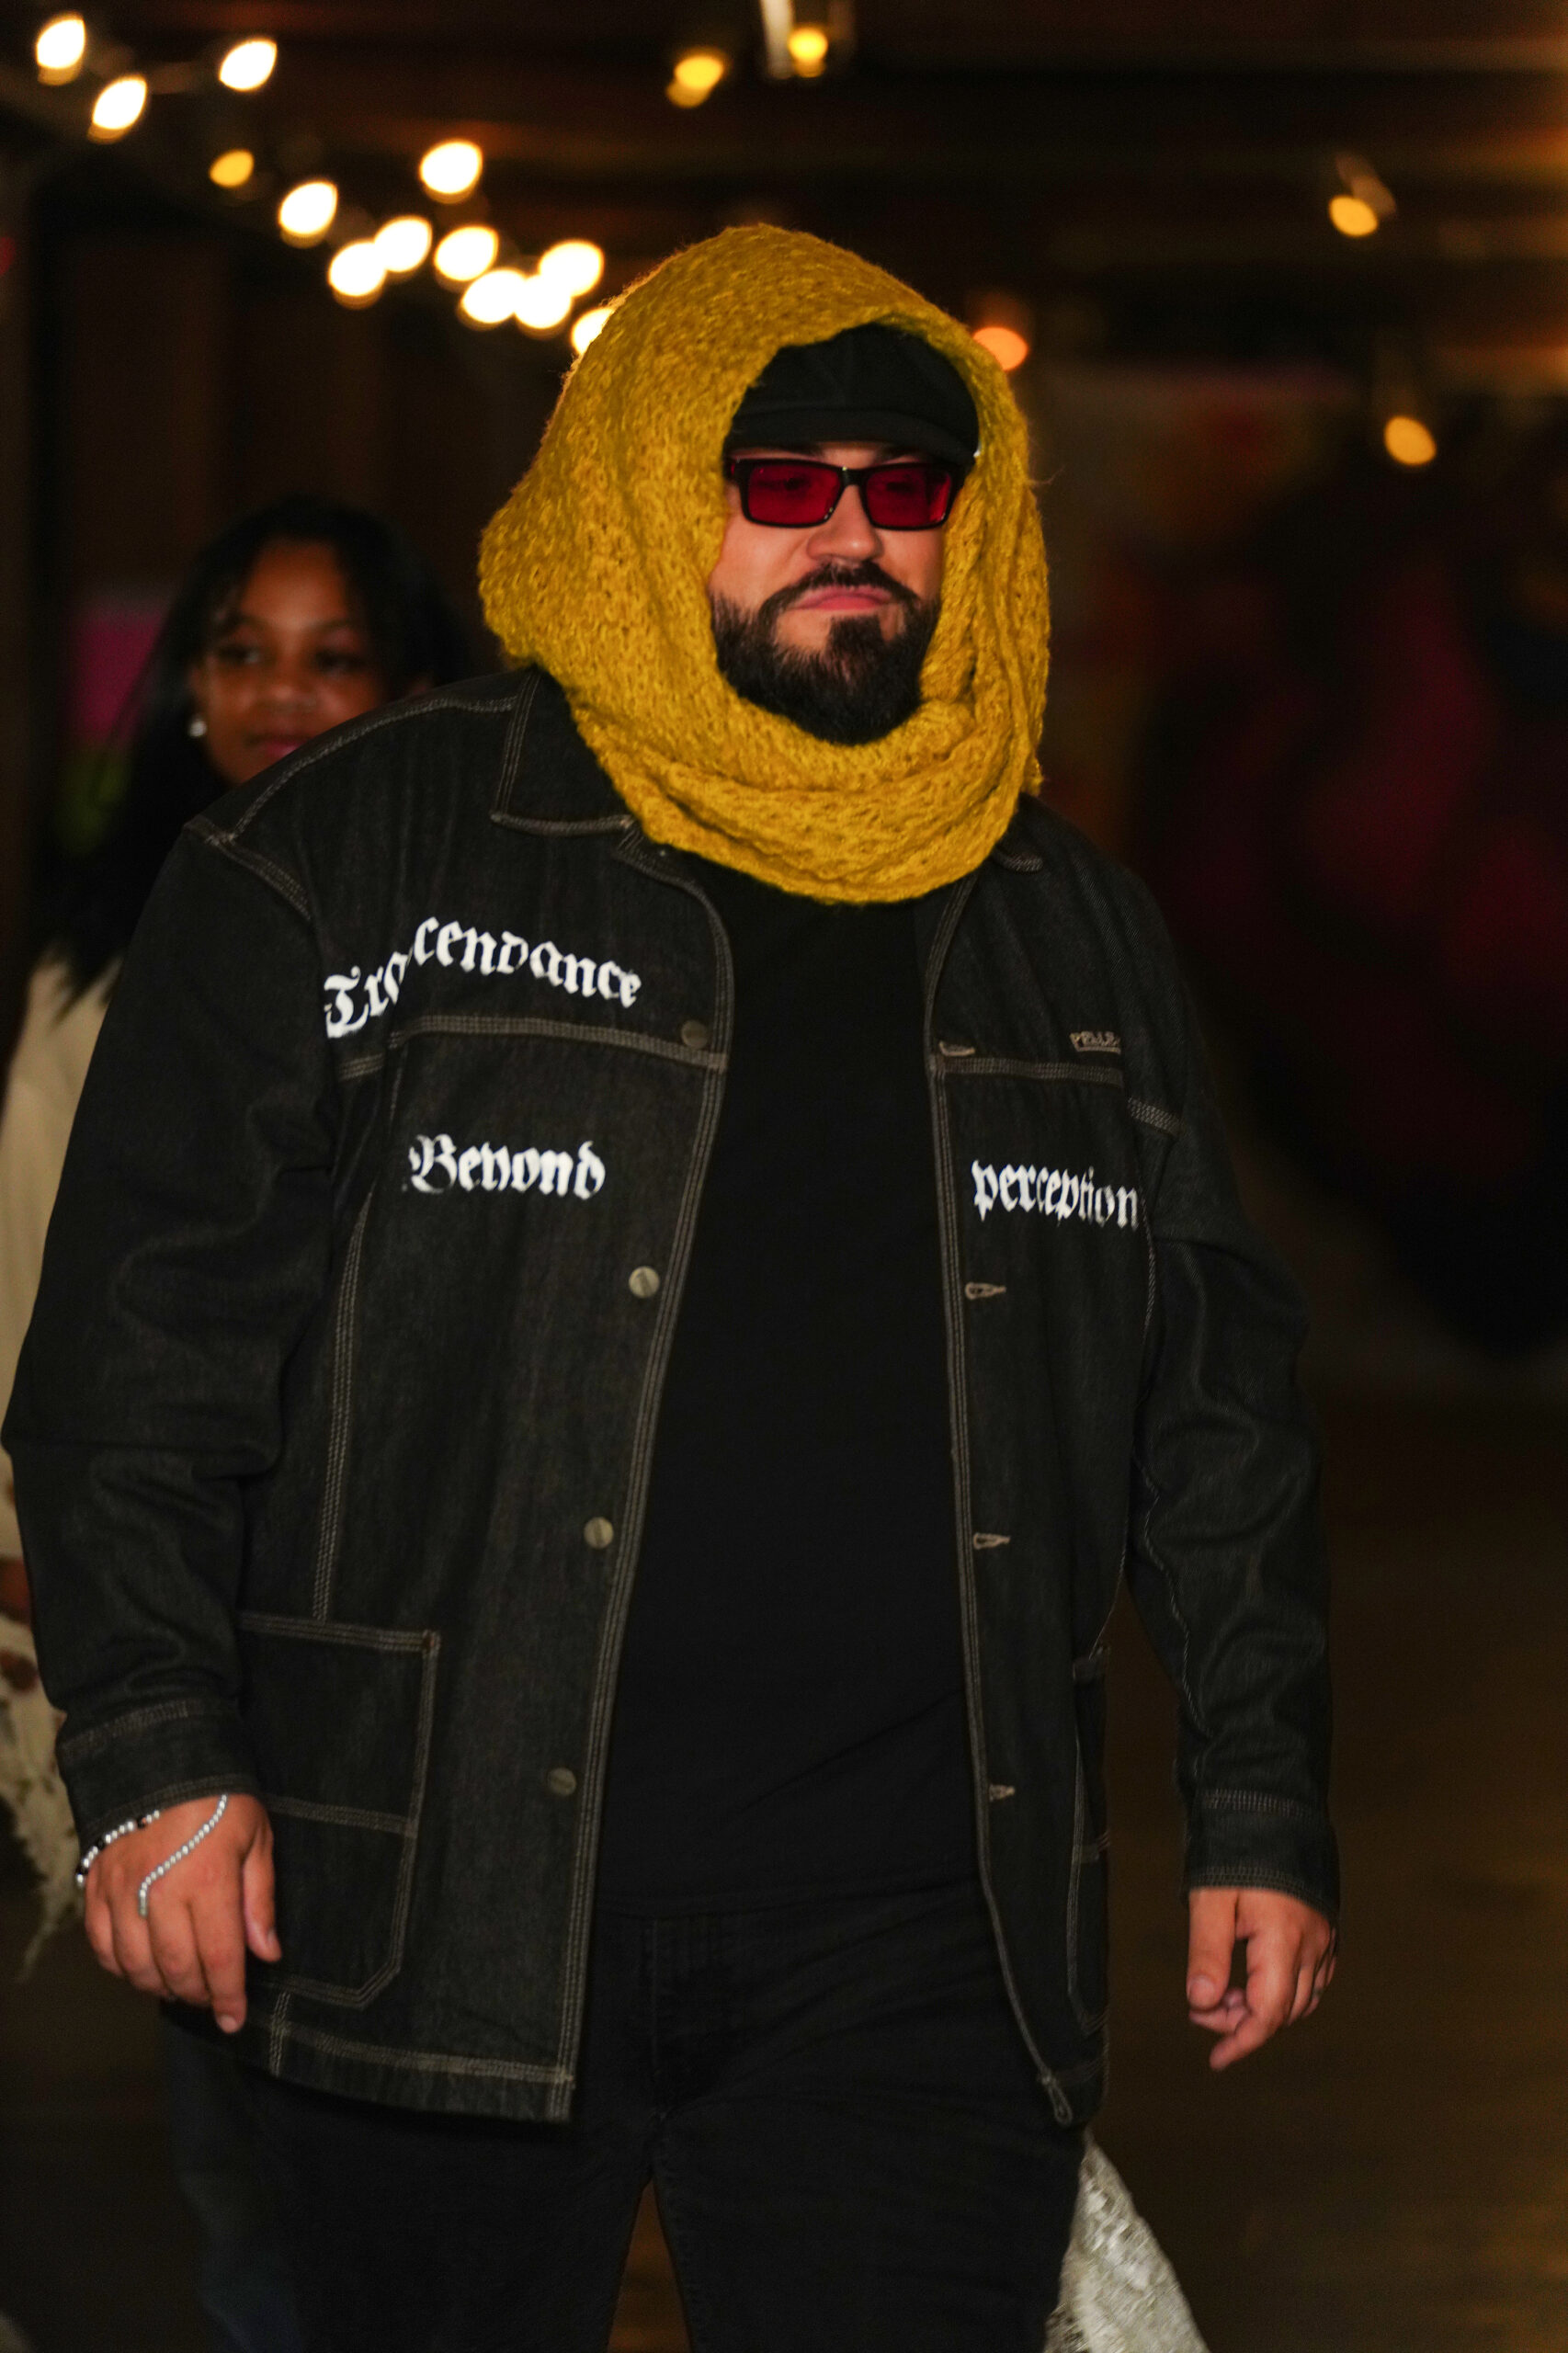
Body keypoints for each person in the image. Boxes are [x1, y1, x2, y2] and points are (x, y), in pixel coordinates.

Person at [6, 231, 1336, 2353]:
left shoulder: (1063, 928)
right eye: (781, 481)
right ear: (644, 486)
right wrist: (156, 1749)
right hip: (427, 1894)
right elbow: (140, 1353)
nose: (853, 535)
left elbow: (1215, 1409)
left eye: (906, 487)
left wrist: (1259, 1796)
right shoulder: (349, 854)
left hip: (922, 1933)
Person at [0, 494, 472, 2353]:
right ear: (189, 689)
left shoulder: (491, 958)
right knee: (250, 2157)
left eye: (331, 657)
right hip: (196, 1650)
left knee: (433, 2177)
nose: (280, 695)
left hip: (433, 1653)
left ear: (413, 690)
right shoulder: (101, 980)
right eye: (242, 653)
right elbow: (42, 1321)